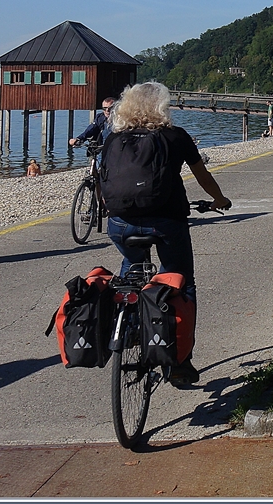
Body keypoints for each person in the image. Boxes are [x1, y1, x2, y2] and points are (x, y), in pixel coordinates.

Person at [104, 82, 231, 386]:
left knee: (131, 269)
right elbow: (203, 176)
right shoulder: (175, 136)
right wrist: (219, 200)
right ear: (162, 107)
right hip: (165, 222)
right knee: (181, 281)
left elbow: (103, 181)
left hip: (120, 223)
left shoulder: (113, 138)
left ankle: (129, 322)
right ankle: (180, 360)